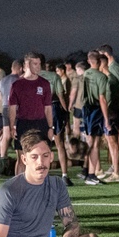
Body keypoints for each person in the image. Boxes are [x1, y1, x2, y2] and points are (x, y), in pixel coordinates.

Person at [8, 52, 54, 174]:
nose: (38, 67)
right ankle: (19, 189)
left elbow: (48, 108)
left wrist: (50, 127)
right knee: (22, 158)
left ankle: (40, 188)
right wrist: (12, 126)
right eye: (35, 64)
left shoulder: (44, 84)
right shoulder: (17, 85)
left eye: (39, 64)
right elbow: (12, 107)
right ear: (27, 65)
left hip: (40, 124)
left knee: (43, 157)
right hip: (23, 124)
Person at [39, 55, 71, 185]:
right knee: (59, 144)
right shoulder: (54, 77)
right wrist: (66, 112)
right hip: (53, 108)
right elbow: (61, 96)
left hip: (38, 110)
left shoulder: (31, 77)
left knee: (40, 144)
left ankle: (41, 174)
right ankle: (64, 175)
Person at [80, 51, 111, 185]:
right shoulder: (102, 77)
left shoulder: (84, 74)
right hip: (96, 110)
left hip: (85, 109)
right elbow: (102, 98)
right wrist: (106, 119)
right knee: (95, 143)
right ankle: (91, 175)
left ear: (89, 61)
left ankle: (86, 171)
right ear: (100, 61)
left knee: (90, 141)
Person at [0, 60, 23, 159]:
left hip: (5, 107)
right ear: (20, 69)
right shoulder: (20, 80)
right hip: (16, 108)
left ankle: (2, 158)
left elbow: (0, 97)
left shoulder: (2, 81)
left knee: (6, 135)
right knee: (17, 133)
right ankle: (20, 159)